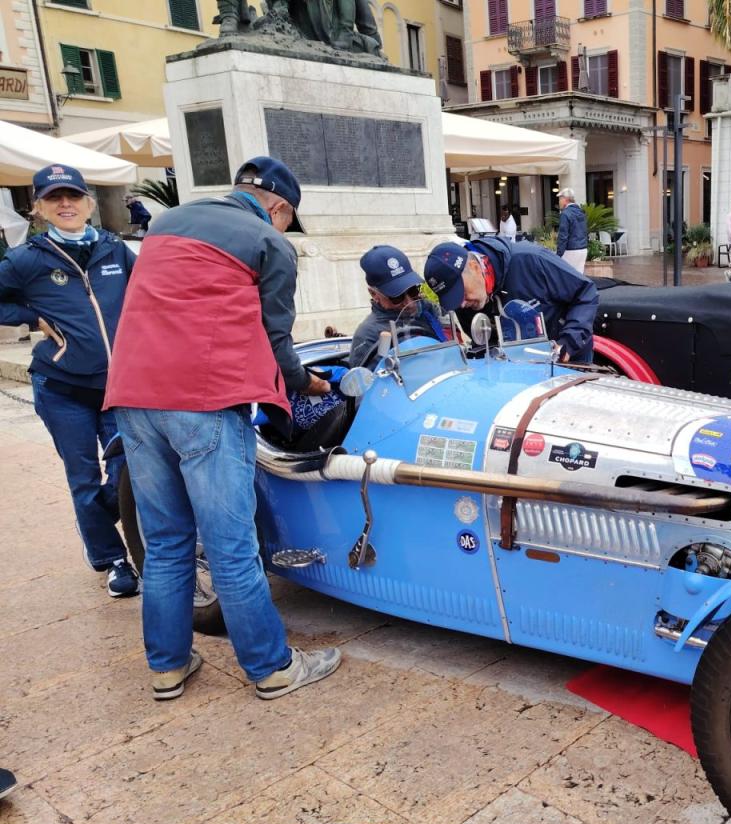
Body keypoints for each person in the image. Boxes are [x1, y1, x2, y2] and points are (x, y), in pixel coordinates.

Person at [104, 156, 341, 702]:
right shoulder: (269, 241)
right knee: (231, 546)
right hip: (205, 399)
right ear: (278, 208)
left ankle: (167, 666)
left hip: (133, 396)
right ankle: (271, 667)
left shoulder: (164, 224)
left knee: (164, 544)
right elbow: (277, 345)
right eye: (287, 219)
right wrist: (312, 386)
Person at [0, 164, 139, 599]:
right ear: (38, 208)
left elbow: (151, 291)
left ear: (90, 204)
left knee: (126, 471)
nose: (66, 204)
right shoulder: (26, 259)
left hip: (118, 387)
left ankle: (102, 523)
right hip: (62, 389)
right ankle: (111, 558)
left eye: (74, 196)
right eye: (54, 198)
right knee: (82, 476)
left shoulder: (115, 250)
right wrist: (32, 316)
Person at [424, 236, 596, 363]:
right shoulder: (465, 303)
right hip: (519, 369)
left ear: (474, 267)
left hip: (567, 357)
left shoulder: (531, 259)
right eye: (453, 299)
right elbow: (482, 342)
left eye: (461, 293)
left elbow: (585, 291)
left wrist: (568, 341)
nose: (461, 304)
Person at [349, 244, 445, 369]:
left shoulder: (429, 310)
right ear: (374, 294)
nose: (408, 302)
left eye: (412, 291)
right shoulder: (368, 336)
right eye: (397, 296)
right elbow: (366, 384)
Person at [556, 188, 588, 273]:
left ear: (565, 199)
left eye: (560, 199)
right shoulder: (581, 212)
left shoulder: (565, 213)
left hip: (570, 250)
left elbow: (563, 236)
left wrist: (558, 254)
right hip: (583, 249)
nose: (559, 201)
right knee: (579, 277)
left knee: (565, 276)